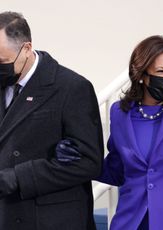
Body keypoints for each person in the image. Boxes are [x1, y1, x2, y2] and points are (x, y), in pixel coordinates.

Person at [57, 35, 163, 230]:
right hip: (131, 223)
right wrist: (80, 159)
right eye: (160, 71)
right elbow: (117, 172)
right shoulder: (120, 113)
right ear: (140, 74)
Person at [0, 11, 104, 230]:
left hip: (50, 220)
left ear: (26, 49)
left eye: (2, 61)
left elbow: (89, 162)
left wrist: (18, 177)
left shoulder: (72, 88)